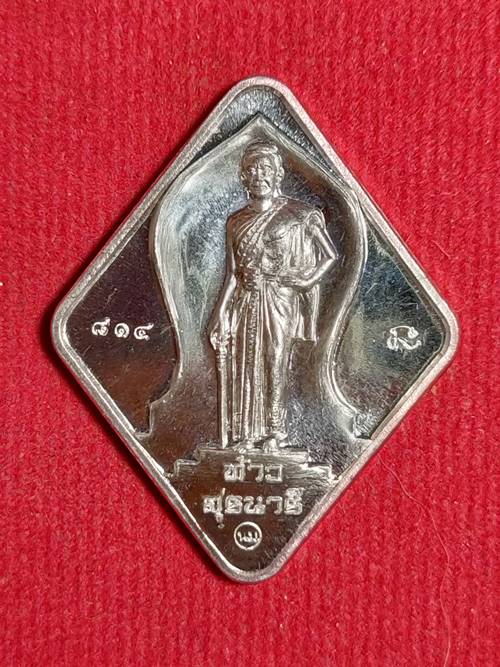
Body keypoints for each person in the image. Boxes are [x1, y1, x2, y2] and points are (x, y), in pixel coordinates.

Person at [209, 140, 337, 451]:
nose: (259, 176)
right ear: (243, 177)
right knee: (245, 361)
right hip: (246, 299)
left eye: (265, 169)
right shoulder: (235, 222)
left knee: (274, 358)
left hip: (279, 298)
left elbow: (329, 255)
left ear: (277, 174)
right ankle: (246, 434)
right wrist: (219, 314)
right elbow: (232, 274)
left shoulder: (298, 214)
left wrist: (304, 279)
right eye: (252, 170)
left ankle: (275, 432)